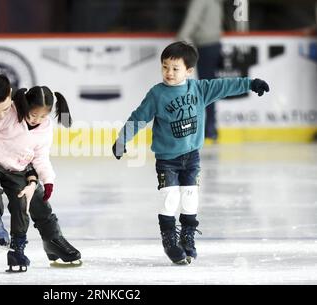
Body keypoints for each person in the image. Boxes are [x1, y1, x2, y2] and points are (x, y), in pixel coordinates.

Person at [112, 41, 269, 265]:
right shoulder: (157, 94)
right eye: (165, 67)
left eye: (175, 68)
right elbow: (138, 117)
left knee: (190, 197)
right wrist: (122, 139)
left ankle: (187, 238)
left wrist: (251, 83)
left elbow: (226, 85)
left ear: (189, 71)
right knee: (170, 198)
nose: (169, 72)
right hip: (167, 158)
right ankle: (169, 241)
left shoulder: (199, 89)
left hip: (192, 156)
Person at [0, 86, 80, 272]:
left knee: (27, 200)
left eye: (43, 116)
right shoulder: (11, 112)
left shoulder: (45, 129)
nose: (37, 120)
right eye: (33, 114)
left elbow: (41, 157)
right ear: (26, 106)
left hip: (19, 169)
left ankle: (37, 244)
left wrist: (48, 180)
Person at [177, 0, 224, 141]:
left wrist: (180, 39)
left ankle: (210, 128)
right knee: (208, 87)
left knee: (206, 87)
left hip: (205, 45)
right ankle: (211, 127)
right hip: (215, 44)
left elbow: (192, 19)